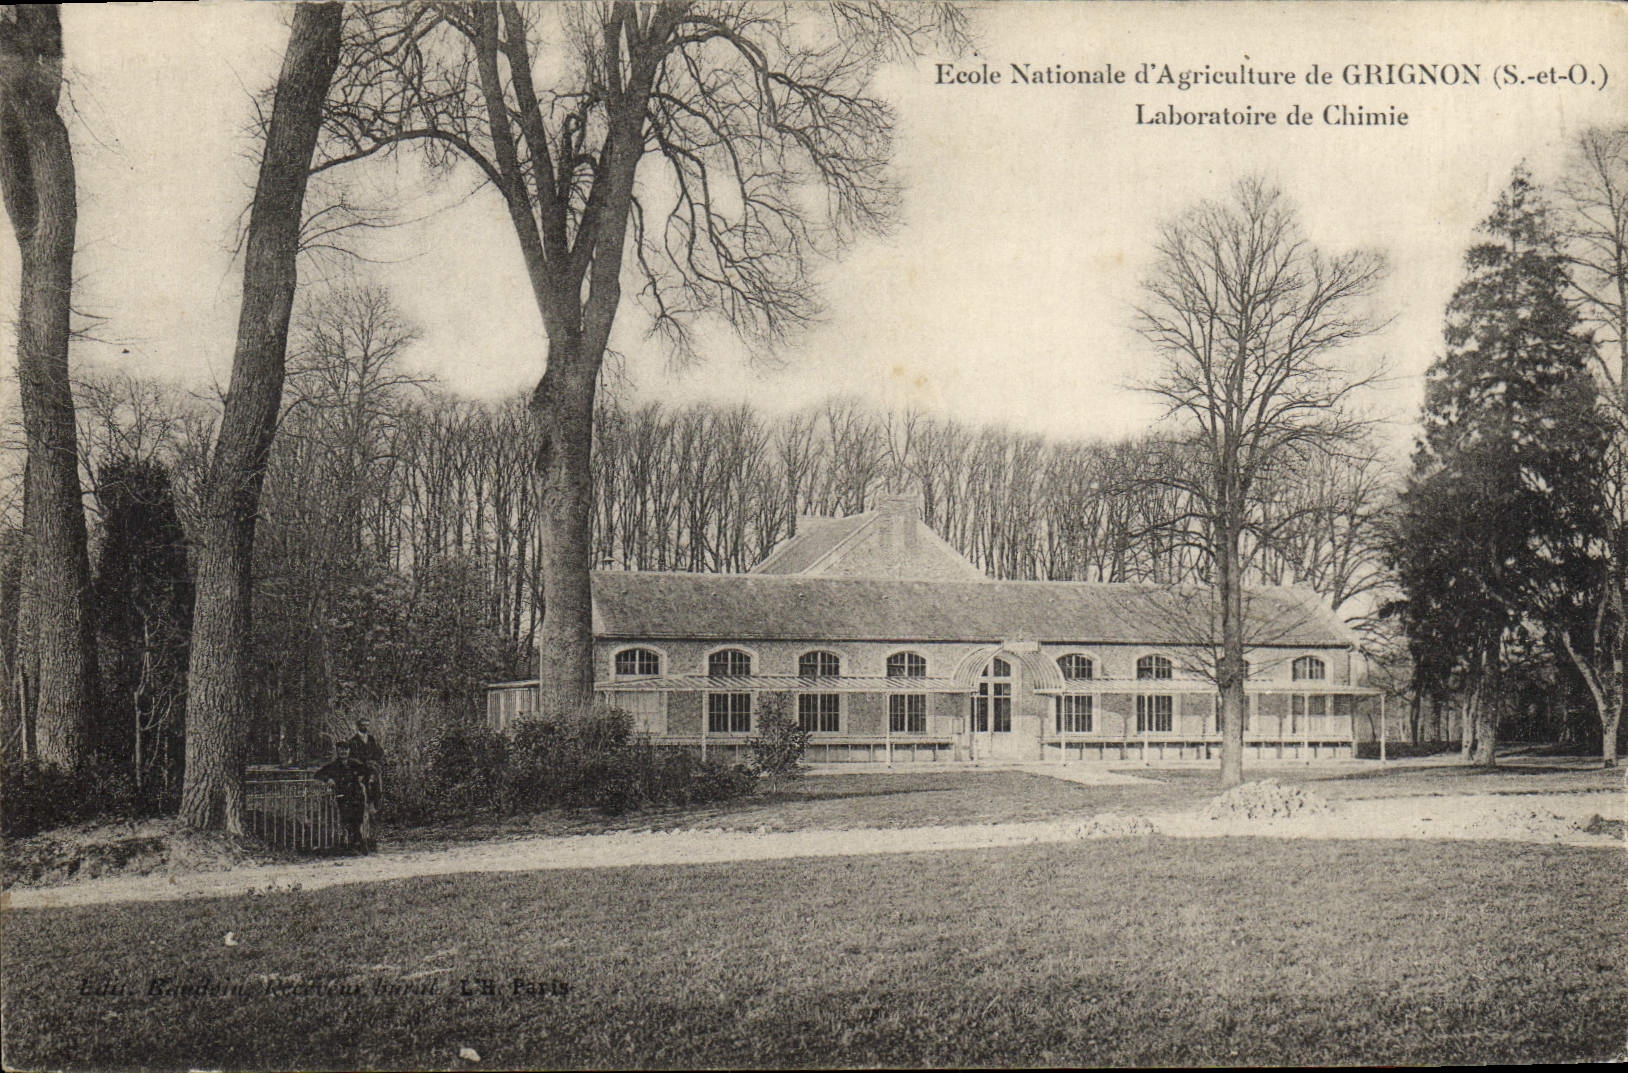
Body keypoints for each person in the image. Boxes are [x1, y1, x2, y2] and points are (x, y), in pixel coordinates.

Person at [315, 739, 369, 853]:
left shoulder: (356, 764)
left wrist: (362, 777)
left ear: (349, 751)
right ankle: (357, 844)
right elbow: (318, 774)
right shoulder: (333, 766)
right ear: (337, 751)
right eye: (341, 749)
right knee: (348, 820)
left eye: (346, 749)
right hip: (343, 797)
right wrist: (328, 779)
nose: (343, 752)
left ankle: (355, 844)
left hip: (357, 796)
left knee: (358, 820)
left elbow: (368, 771)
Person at [348, 718, 385, 852]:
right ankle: (361, 840)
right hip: (360, 778)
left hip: (373, 777)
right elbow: (352, 760)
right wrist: (363, 766)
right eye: (363, 726)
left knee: (373, 808)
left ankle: (371, 840)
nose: (365, 728)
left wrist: (374, 765)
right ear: (358, 726)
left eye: (367, 726)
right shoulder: (353, 742)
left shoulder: (372, 740)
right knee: (361, 810)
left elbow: (379, 754)